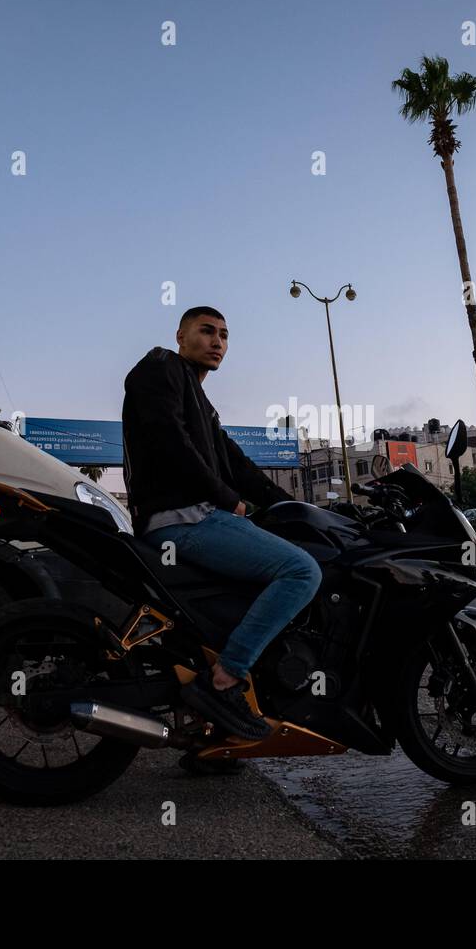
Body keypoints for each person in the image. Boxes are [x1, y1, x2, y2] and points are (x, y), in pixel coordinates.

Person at [121, 306, 322, 740]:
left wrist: (301, 511)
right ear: (180, 335)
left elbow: (239, 464)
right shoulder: (161, 367)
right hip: (183, 520)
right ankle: (227, 679)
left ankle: (211, 734)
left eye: (224, 335)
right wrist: (229, 500)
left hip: (195, 517)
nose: (217, 342)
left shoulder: (203, 404)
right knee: (301, 570)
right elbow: (169, 440)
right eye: (206, 331)